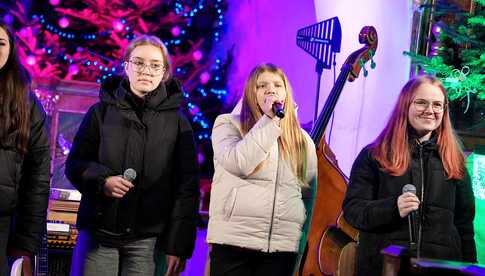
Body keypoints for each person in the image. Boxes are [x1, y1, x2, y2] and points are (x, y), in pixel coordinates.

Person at [65, 35, 200, 276]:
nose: (146, 70)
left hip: (147, 241)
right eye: (138, 62)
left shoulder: (179, 124)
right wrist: (101, 181)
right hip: (99, 234)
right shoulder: (100, 113)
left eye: (155, 65)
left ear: (165, 72)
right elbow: (75, 164)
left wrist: (178, 246)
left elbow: (186, 188)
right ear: (126, 66)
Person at [342, 75, 477, 275]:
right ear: (405, 105)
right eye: (421, 102)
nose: (430, 110)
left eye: (437, 105)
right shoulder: (374, 156)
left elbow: (464, 227)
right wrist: (392, 207)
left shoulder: (454, 162)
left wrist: (469, 270)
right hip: (386, 268)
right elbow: (353, 211)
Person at [207, 63, 318, 276]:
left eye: (278, 85)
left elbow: (308, 197)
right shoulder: (228, 124)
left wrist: (299, 245)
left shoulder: (303, 140)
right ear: (251, 92)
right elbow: (239, 163)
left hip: (281, 249)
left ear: (286, 93)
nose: (271, 90)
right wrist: (268, 120)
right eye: (262, 85)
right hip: (234, 242)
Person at [0, 20, 50, 275]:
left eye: (0, 43)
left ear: (11, 50)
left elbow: (38, 178)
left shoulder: (27, 104)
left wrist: (25, 244)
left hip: (3, 228)